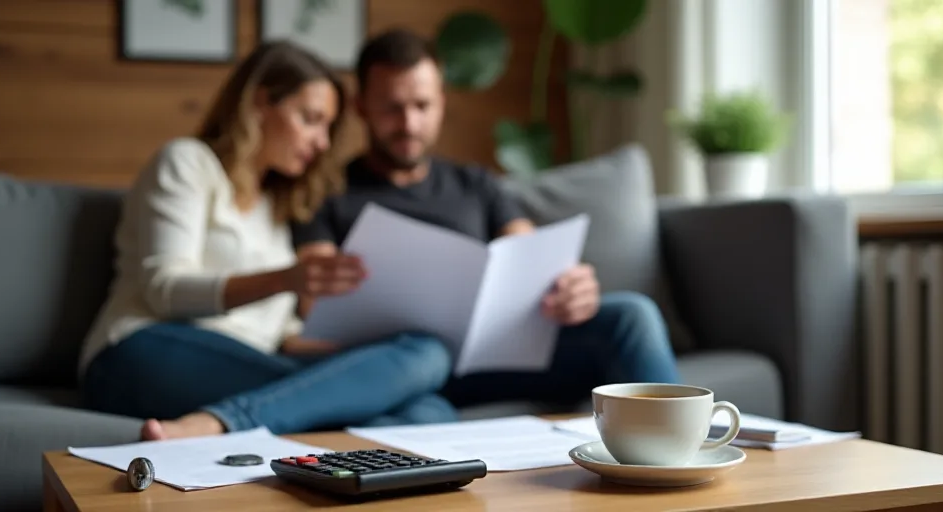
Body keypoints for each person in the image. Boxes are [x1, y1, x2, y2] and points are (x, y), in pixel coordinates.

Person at [78, 41, 458, 441]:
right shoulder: (188, 162)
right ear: (260, 104)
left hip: (250, 360)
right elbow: (164, 290)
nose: (323, 142)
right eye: (310, 119)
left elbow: (278, 335)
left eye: (328, 126)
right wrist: (285, 279)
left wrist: (362, 355)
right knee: (416, 388)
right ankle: (226, 422)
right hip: (143, 349)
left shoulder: (277, 207)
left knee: (428, 380)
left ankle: (251, 428)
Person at [291, 29, 682, 411]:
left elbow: (537, 261)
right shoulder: (328, 194)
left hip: (496, 359)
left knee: (632, 314)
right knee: (419, 384)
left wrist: (572, 288)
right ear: (361, 108)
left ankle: (678, 452)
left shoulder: (475, 184)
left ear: (441, 103)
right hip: (404, 367)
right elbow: (315, 308)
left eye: (422, 106)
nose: (409, 124)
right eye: (392, 108)